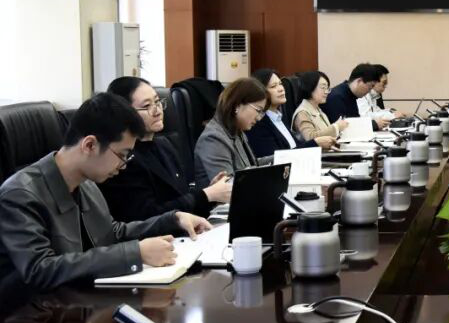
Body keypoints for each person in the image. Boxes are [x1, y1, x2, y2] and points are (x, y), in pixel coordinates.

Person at [0, 93, 210, 290]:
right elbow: (40, 270)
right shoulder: (20, 194)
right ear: (90, 145)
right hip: (33, 312)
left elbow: (111, 233)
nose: (124, 165)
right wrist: (134, 254)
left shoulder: (87, 183)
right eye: (122, 155)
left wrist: (173, 220)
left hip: (78, 300)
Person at [99, 77, 231, 222]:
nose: (157, 111)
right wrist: (206, 195)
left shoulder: (165, 145)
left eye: (157, 102)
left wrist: (212, 193)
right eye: (147, 106)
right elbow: (147, 217)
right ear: (124, 113)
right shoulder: (122, 158)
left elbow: (181, 198)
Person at [193, 77, 267, 188]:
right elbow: (228, 186)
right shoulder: (214, 138)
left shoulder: (236, 130)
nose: (259, 118)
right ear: (237, 105)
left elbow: (252, 164)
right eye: (258, 110)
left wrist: (282, 158)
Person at [246, 69, 336, 158]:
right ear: (260, 91)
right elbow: (275, 158)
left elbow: (296, 146)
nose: (281, 89)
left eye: (280, 84)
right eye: (273, 86)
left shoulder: (279, 118)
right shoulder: (258, 123)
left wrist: (319, 143)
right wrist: (316, 143)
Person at [323, 63, 389, 129]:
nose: (369, 91)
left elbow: (356, 120)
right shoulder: (336, 97)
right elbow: (343, 128)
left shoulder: (351, 95)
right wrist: (374, 124)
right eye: (369, 87)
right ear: (359, 81)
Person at [293, 70, 348, 142]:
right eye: (323, 87)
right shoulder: (302, 113)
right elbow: (310, 138)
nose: (326, 92)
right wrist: (336, 127)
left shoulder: (318, 110)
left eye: (327, 88)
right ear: (310, 87)